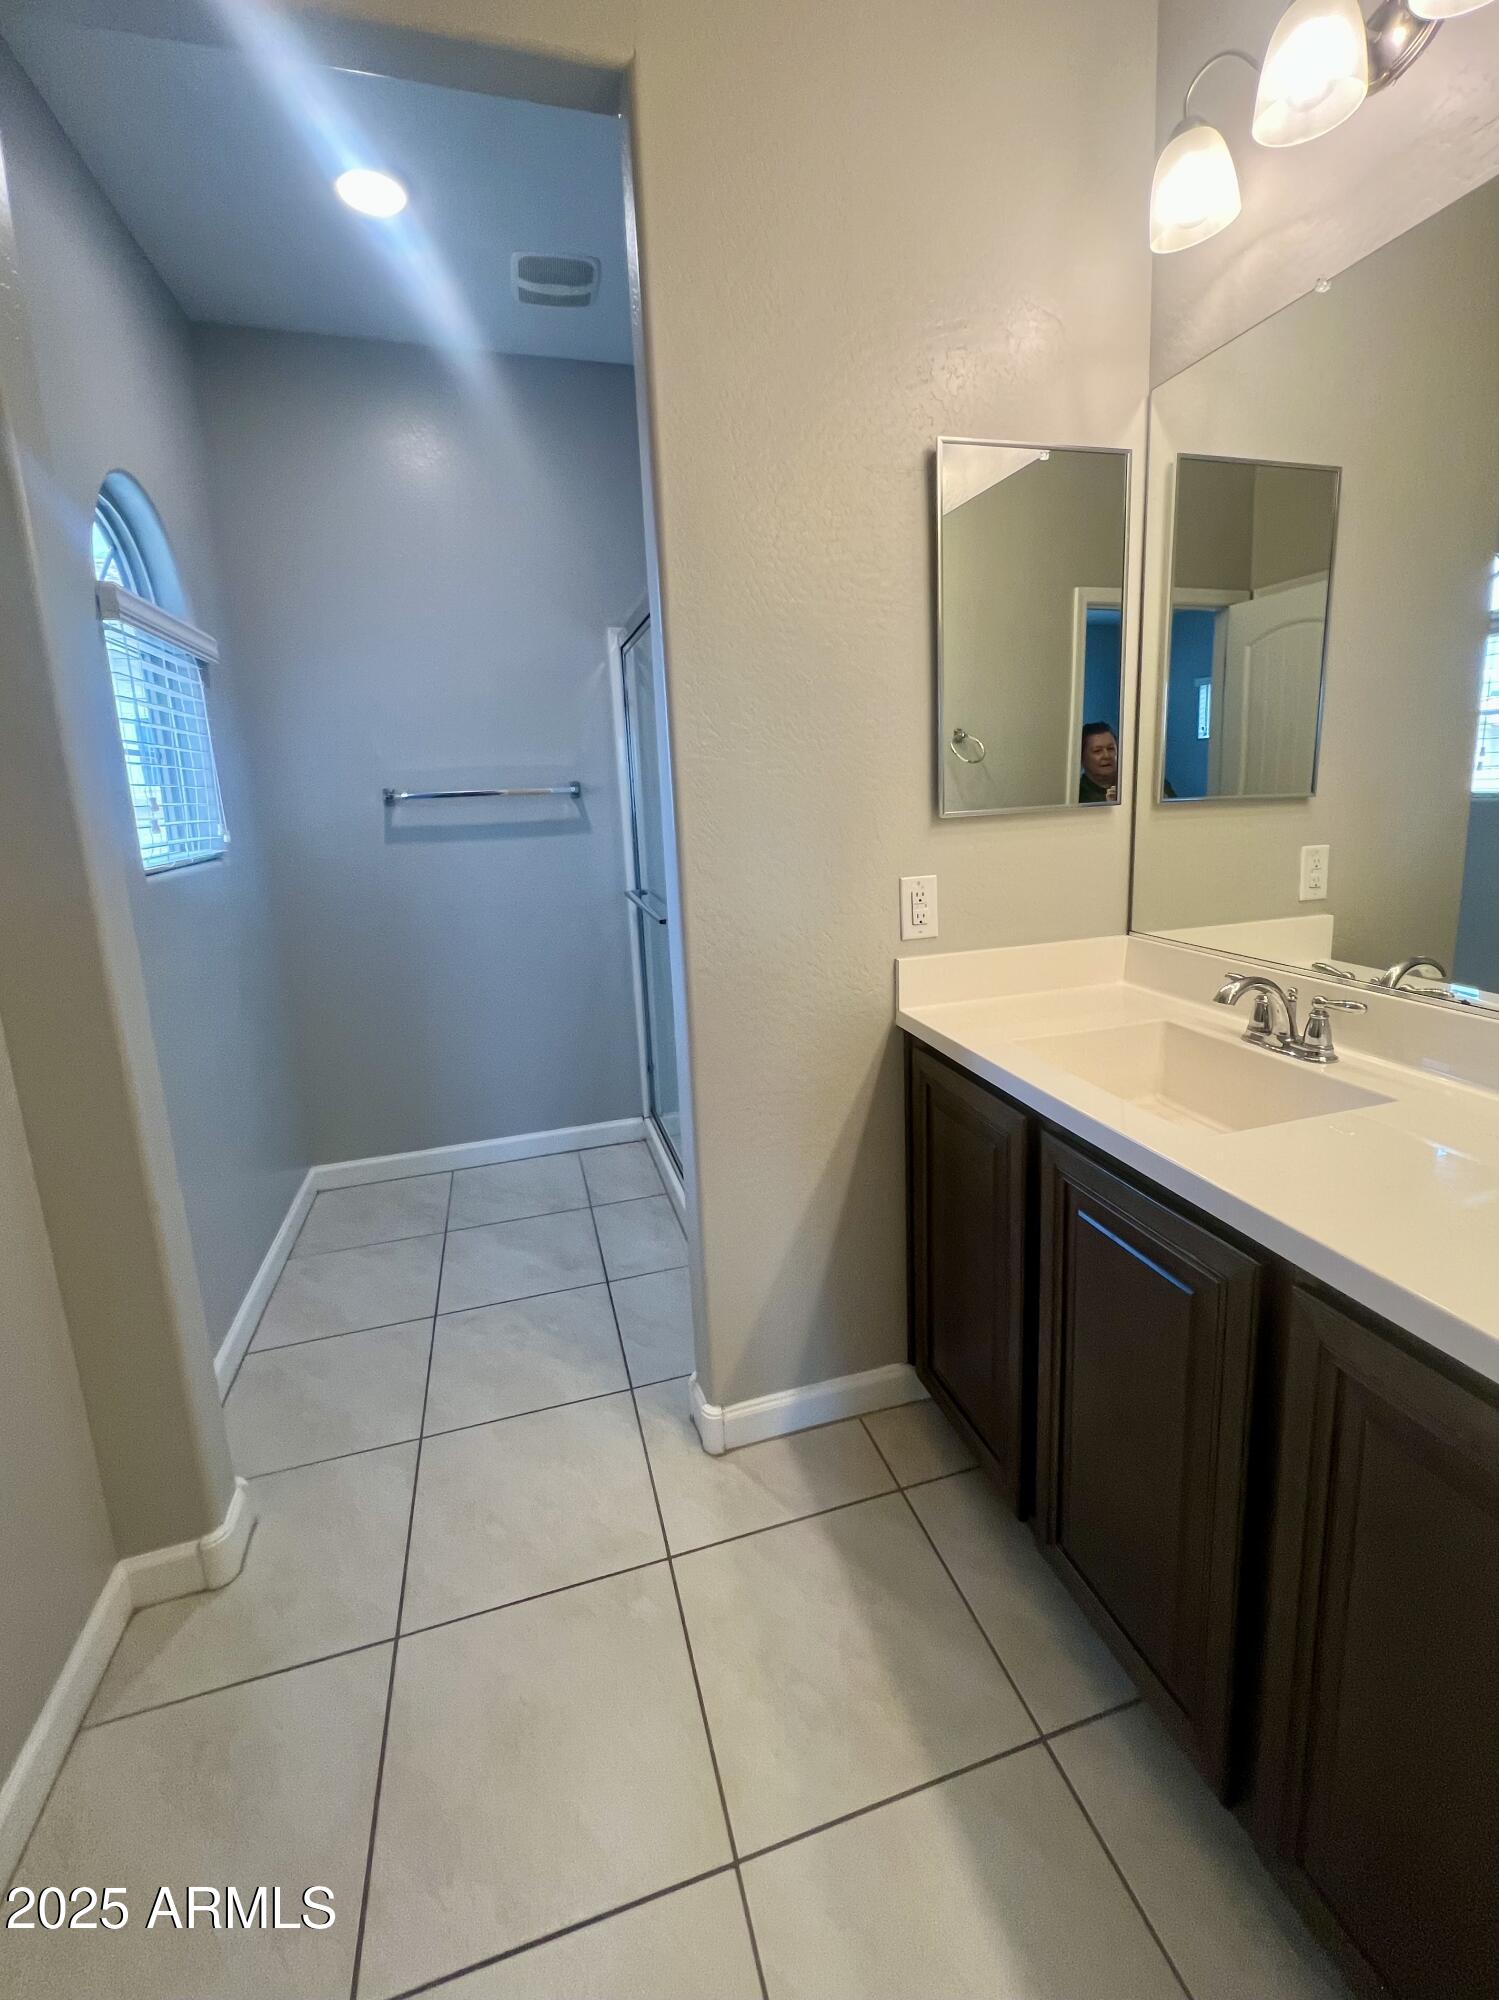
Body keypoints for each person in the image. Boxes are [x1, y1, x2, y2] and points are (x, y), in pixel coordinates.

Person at [1078, 721, 1118, 803]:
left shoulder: (1131, 785)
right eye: (1097, 751)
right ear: (1081, 758)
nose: (1106, 756)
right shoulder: (1076, 796)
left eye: (1110, 749)